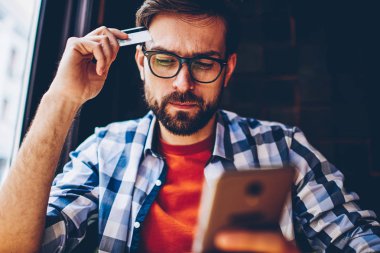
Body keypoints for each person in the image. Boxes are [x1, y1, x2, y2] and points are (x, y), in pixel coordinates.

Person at [0, 0, 379, 252]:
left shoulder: (284, 149)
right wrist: (61, 99)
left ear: (227, 70)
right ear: (141, 65)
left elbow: (361, 241)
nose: (183, 84)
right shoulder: (104, 152)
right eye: (165, 60)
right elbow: (12, 245)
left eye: (204, 63)